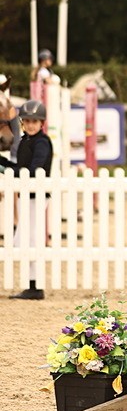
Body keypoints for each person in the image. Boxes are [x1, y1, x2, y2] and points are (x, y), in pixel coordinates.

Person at [0, 100, 54, 299]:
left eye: (35, 121)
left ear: (41, 123)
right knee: (25, 238)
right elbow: (19, 166)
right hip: (27, 196)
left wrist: (7, 170)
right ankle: (32, 285)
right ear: (23, 122)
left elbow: (33, 170)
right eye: (28, 121)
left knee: (29, 239)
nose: (31, 125)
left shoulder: (42, 142)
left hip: (36, 196)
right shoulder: (25, 141)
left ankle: (35, 286)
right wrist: (3, 163)